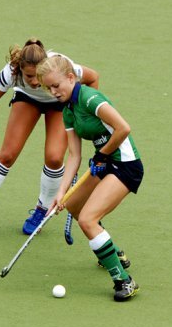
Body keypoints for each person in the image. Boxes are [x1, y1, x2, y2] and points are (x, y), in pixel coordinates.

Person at [0, 38, 99, 236]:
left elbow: (93, 78)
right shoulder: (11, 72)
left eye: (39, 75)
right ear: (20, 69)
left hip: (58, 102)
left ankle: (41, 210)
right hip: (27, 99)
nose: (35, 81)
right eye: (29, 76)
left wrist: (83, 115)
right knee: (7, 155)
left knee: (55, 158)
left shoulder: (61, 65)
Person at [37, 55, 144, 302]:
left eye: (56, 85)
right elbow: (74, 156)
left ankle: (124, 281)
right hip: (104, 163)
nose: (53, 92)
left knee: (87, 220)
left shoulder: (90, 98)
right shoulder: (68, 110)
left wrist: (103, 155)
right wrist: (61, 193)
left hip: (125, 164)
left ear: (70, 78)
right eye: (48, 88)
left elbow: (123, 128)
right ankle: (114, 253)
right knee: (74, 205)